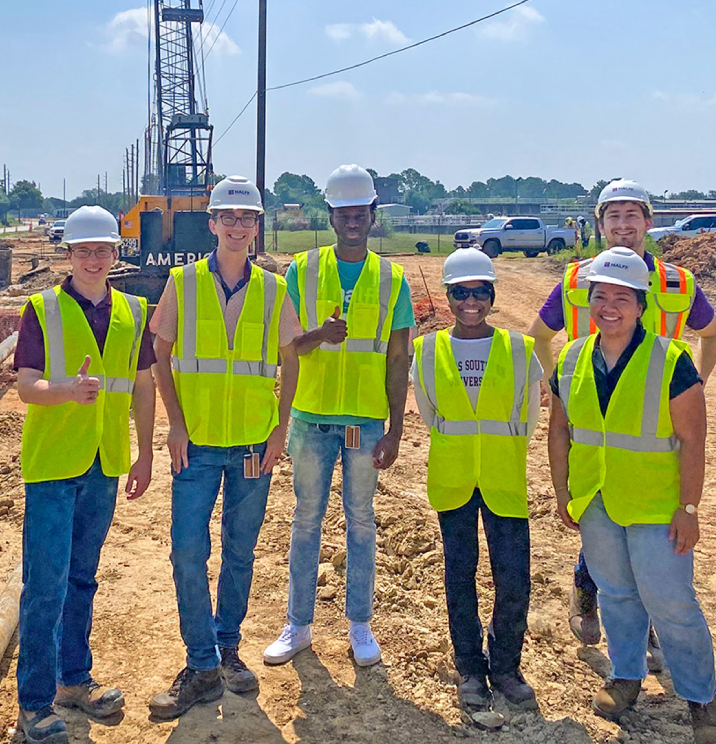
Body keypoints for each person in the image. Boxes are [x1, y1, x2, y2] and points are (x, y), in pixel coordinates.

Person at [528, 178, 716, 654]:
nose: (623, 224)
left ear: (649, 223)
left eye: (633, 215)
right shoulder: (575, 281)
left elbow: (711, 333)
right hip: (597, 422)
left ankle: (647, 628)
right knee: (599, 515)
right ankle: (590, 594)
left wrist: (696, 384)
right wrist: (558, 389)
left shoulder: (676, 282)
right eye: (613, 215)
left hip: (657, 430)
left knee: (651, 534)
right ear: (600, 224)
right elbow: (538, 336)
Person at [548, 247, 716, 742]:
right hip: (598, 501)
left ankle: (702, 696)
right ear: (589, 301)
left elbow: (693, 439)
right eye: (601, 296)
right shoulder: (574, 356)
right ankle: (625, 676)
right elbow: (559, 429)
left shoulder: (672, 360)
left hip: (656, 503)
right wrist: (563, 491)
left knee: (670, 602)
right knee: (617, 594)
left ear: (642, 305)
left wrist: (689, 509)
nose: (610, 306)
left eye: (623, 297)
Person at [149, 176, 301, 719]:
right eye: (229, 217)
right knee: (188, 552)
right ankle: (201, 662)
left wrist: (280, 429)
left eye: (248, 218)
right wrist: (176, 425)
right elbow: (160, 355)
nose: (238, 226)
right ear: (212, 223)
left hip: (253, 447)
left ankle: (227, 646)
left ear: (256, 227)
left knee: (240, 552)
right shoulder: (182, 284)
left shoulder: (275, 289)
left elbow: (290, 361)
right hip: (198, 445)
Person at [14, 206, 156, 744]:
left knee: (82, 578)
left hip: (104, 463)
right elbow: (26, 386)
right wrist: (66, 391)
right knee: (45, 585)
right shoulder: (42, 309)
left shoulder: (134, 312)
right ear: (68, 255)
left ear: (115, 255)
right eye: (83, 250)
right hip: (53, 466)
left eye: (103, 250)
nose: (94, 258)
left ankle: (73, 679)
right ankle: (34, 702)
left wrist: (144, 454)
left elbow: (143, 388)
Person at [263, 164, 414, 668]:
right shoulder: (301, 271)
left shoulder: (393, 278)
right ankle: (298, 625)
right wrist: (317, 337)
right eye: (343, 213)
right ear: (330, 215)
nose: (352, 221)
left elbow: (398, 359)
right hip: (310, 420)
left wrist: (396, 427)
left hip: (366, 422)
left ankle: (359, 626)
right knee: (306, 521)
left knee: (362, 523)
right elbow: (285, 347)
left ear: (372, 216)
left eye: (360, 213)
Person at [412, 248, 542, 712]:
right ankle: (470, 667)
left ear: (492, 295)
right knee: (459, 576)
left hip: (504, 479)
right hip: (454, 479)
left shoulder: (520, 351)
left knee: (513, 579)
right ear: (448, 296)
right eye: (461, 293)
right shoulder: (427, 350)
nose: (471, 301)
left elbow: (528, 417)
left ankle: (505, 666)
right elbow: (429, 413)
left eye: (479, 292)